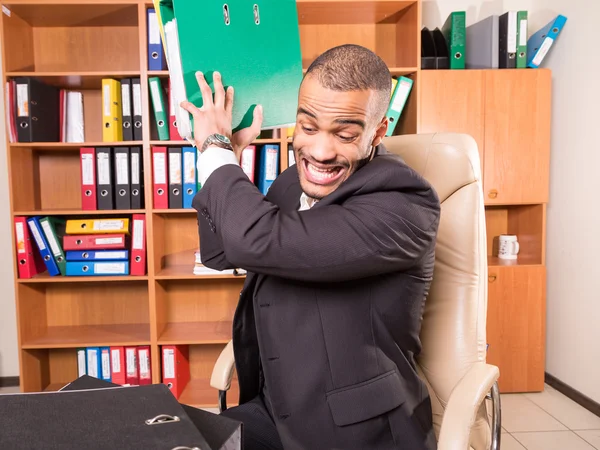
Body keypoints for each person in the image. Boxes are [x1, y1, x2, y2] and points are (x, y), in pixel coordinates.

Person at [182, 44, 440, 450]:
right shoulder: (289, 182)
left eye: (345, 134)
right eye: (308, 127)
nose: (320, 152)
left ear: (378, 131)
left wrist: (215, 150)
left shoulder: (403, 203)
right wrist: (225, 154)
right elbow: (223, 253)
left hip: (357, 433)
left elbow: (256, 238)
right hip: (274, 411)